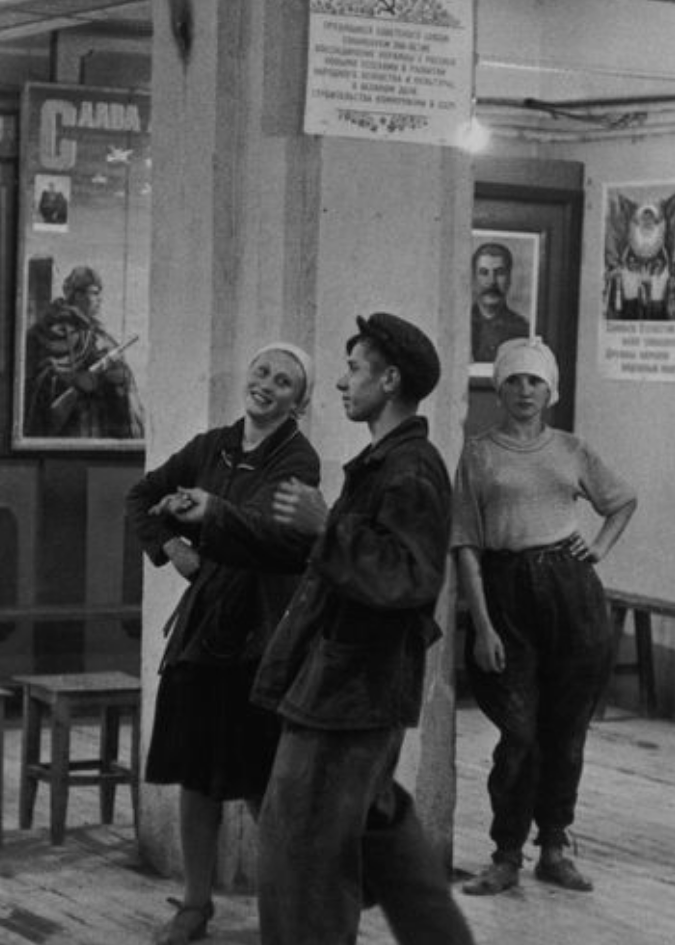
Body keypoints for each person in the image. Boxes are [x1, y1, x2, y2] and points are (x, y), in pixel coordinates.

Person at [252, 313, 474, 945]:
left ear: (390, 379)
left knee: (303, 855)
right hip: (347, 682)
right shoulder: (387, 462)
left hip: (352, 691)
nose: (342, 383)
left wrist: (327, 527)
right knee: (375, 826)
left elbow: (410, 577)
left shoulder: (411, 469)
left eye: (354, 370)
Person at [127, 344, 322, 945]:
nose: (266, 384)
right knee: (196, 775)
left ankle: (292, 912)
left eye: (283, 382)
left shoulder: (298, 459)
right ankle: (194, 904)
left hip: (262, 637)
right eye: (262, 372)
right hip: (203, 632)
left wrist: (208, 512)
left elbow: (270, 535)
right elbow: (141, 497)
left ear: (298, 401)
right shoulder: (211, 446)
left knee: (265, 781)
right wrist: (173, 547)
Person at [453, 338, 637, 896]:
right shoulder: (478, 454)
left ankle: (554, 847)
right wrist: (482, 627)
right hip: (505, 593)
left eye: (534, 381)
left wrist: (598, 548)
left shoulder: (572, 449)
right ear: (499, 388)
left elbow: (622, 500)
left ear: (550, 390)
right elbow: (466, 546)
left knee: (567, 732)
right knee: (519, 733)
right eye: (514, 380)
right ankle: (505, 854)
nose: (524, 390)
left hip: (571, 593)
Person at [22, 299, 143, 439]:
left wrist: (118, 382)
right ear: (74, 293)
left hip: (97, 429)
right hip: (67, 434)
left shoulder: (99, 336)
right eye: (93, 292)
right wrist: (73, 381)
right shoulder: (43, 334)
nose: (99, 299)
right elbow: (37, 382)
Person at [470, 243, 532, 363]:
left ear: (509, 278)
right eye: (484, 272)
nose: (491, 281)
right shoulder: (461, 325)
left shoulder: (523, 330)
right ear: (474, 279)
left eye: (499, 273)